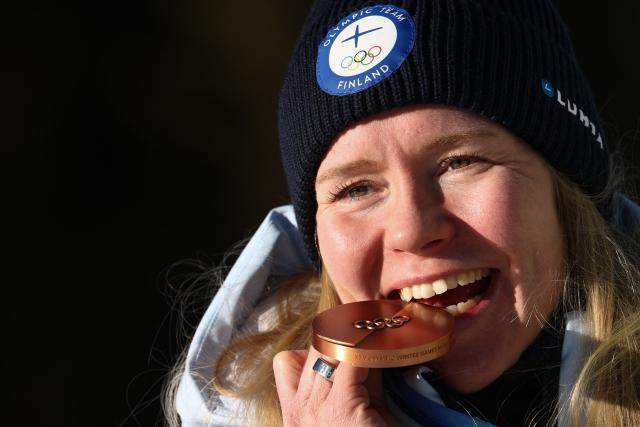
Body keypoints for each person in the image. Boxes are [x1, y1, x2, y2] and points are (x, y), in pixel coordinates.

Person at [168, 1, 640, 426]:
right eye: (356, 189)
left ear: (566, 186)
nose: (412, 229)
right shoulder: (241, 411)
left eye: (460, 162)